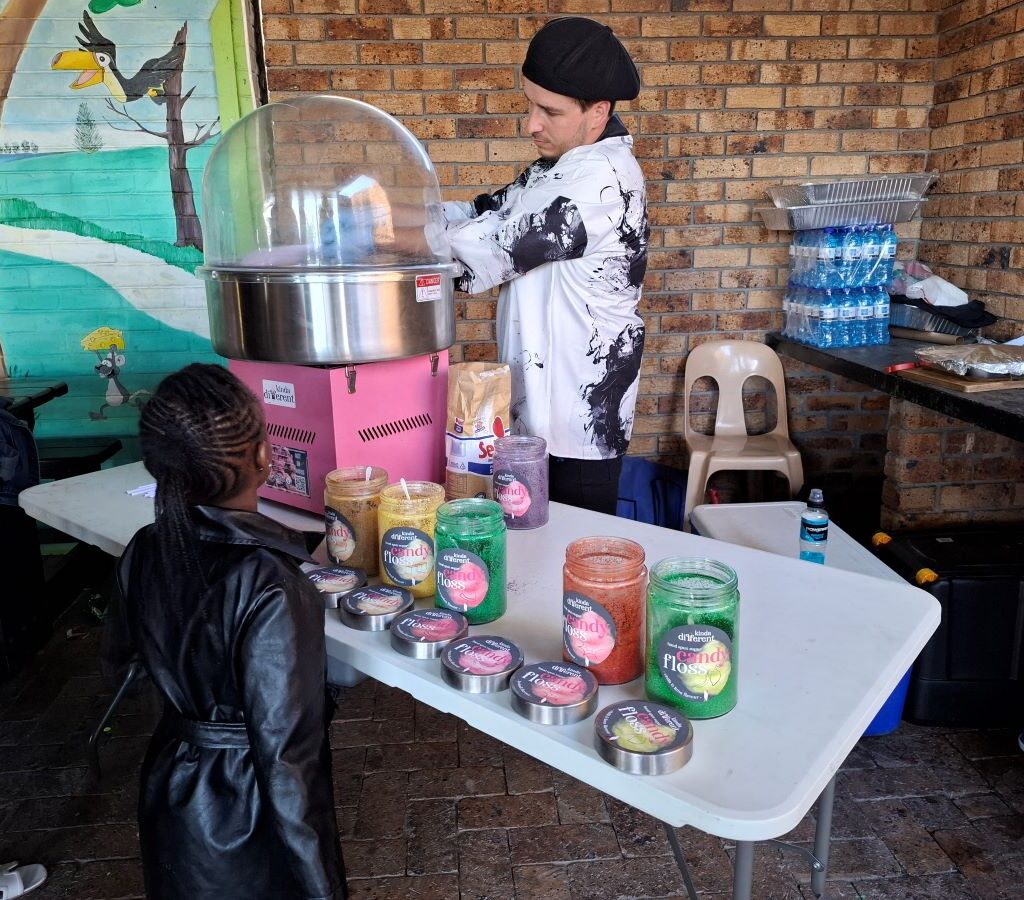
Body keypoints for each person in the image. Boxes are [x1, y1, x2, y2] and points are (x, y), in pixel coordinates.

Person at [107, 364, 346, 900]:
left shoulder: (145, 547)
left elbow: (120, 653)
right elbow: (289, 770)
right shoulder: (274, 587)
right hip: (244, 821)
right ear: (264, 458)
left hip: (171, 790)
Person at [443, 16, 648, 515]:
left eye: (549, 111)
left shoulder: (598, 186)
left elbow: (486, 246)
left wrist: (388, 234)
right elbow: (485, 211)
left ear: (597, 113)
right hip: (537, 413)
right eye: (529, 104)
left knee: (570, 559)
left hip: (574, 425)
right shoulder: (557, 168)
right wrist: (400, 210)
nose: (532, 124)